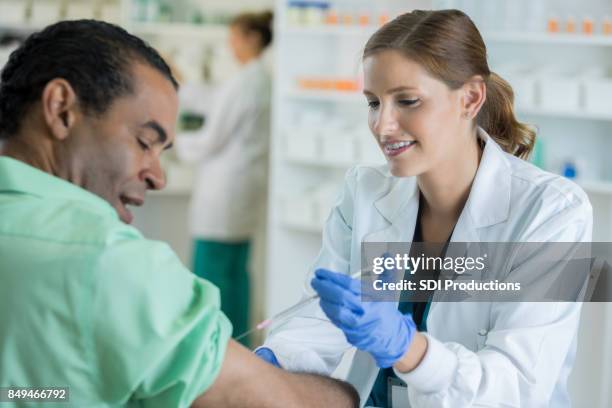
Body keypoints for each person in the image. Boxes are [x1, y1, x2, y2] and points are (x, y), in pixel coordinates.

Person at [0, 20, 359, 407]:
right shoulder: (104, 256)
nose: (157, 176)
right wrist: (358, 394)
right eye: (145, 142)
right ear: (61, 109)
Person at [255, 9, 592, 407]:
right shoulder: (364, 191)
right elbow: (320, 319)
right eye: (374, 103)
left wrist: (410, 350)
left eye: (408, 101)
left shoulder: (552, 211)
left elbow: (516, 387)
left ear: (470, 98)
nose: (383, 125)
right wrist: (269, 362)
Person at [174, 11, 273, 347]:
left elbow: (213, 136)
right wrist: (183, 82)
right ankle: (237, 343)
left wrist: (173, 142)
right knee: (235, 274)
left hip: (225, 191)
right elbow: (213, 101)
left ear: (252, 39)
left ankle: (213, 345)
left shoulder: (247, 82)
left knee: (211, 272)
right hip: (240, 189)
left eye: (234, 37)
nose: (230, 45)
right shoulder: (254, 79)